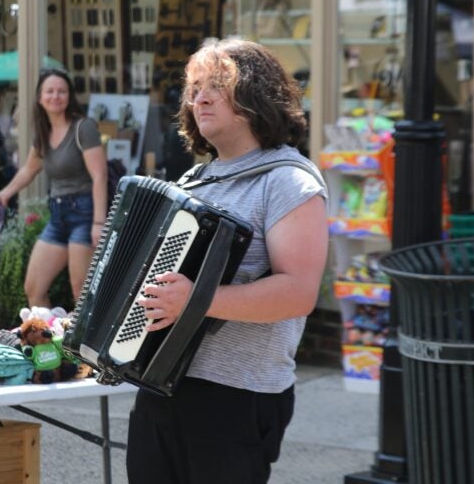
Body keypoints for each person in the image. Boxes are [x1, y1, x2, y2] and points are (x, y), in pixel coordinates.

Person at [127, 38, 329, 484]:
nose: (199, 96)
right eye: (194, 86)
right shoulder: (193, 180)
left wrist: (195, 300)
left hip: (238, 395)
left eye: (216, 85)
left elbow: (298, 293)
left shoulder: (288, 181)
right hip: (162, 386)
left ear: (255, 95)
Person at [0, 68, 108, 306]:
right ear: (40, 97)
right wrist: (5, 193)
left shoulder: (82, 128)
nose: (56, 96)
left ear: (69, 96)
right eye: (50, 91)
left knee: (81, 293)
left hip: (84, 214)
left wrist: (98, 223)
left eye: (61, 91)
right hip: (58, 215)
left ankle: (81, 344)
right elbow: (30, 169)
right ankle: (50, 341)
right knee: (34, 288)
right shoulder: (43, 132)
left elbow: (100, 176)